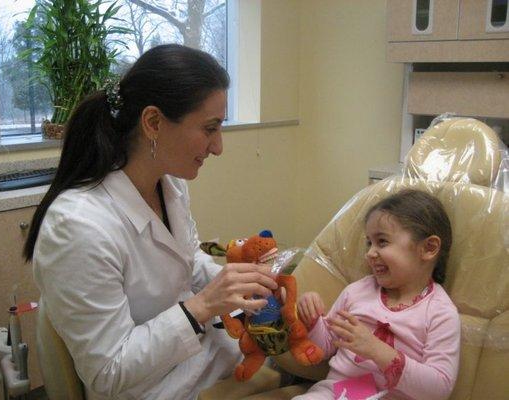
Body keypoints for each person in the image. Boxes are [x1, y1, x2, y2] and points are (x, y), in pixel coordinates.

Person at [23, 44, 278, 400]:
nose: (218, 147)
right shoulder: (77, 226)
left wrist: (236, 280)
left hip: (201, 358)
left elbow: (183, 261)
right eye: (209, 128)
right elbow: (109, 372)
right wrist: (201, 306)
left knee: (311, 355)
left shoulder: (168, 184)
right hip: (153, 388)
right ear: (154, 122)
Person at [295, 189, 460, 400]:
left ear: (428, 248)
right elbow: (323, 347)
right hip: (339, 392)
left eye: (382, 241)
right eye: (369, 243)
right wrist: (311, 321)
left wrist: (377, 350)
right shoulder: (356, 292)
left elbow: (439, 388)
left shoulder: (440, 313)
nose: (370, 253)